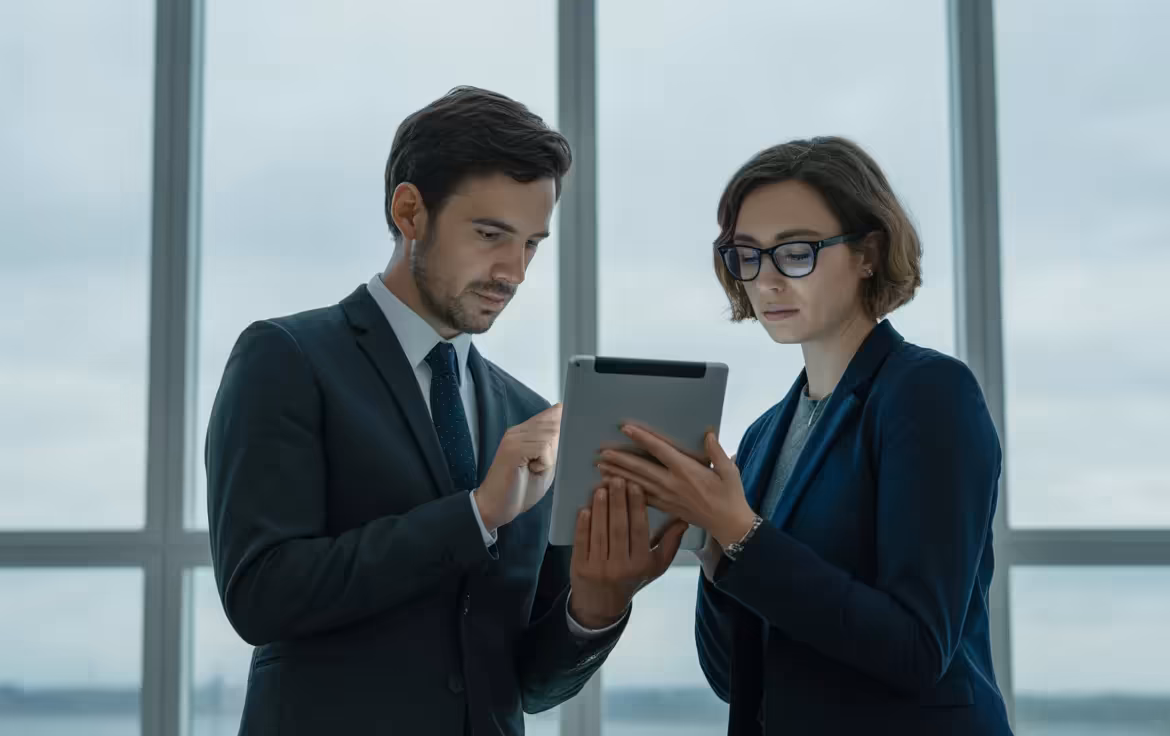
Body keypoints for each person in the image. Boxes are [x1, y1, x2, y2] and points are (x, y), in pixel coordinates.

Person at [205, 86, 685, 736]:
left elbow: (526, 684)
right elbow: (261, 595)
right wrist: (477, 514)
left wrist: (597, 606)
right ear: (410, 211)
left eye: (531, 244)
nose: (514, 271)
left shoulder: (525, 414)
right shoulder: (286, 358)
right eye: (490, 235)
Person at [595, 137, 1013, 735]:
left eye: (796, 252)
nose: (766, 280)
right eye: (748, 255)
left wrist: (740, 533)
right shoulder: (764, 435)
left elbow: (917, 650)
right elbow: (735, 680)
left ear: (869, 252)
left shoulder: (930, 393)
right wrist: (714, 552)